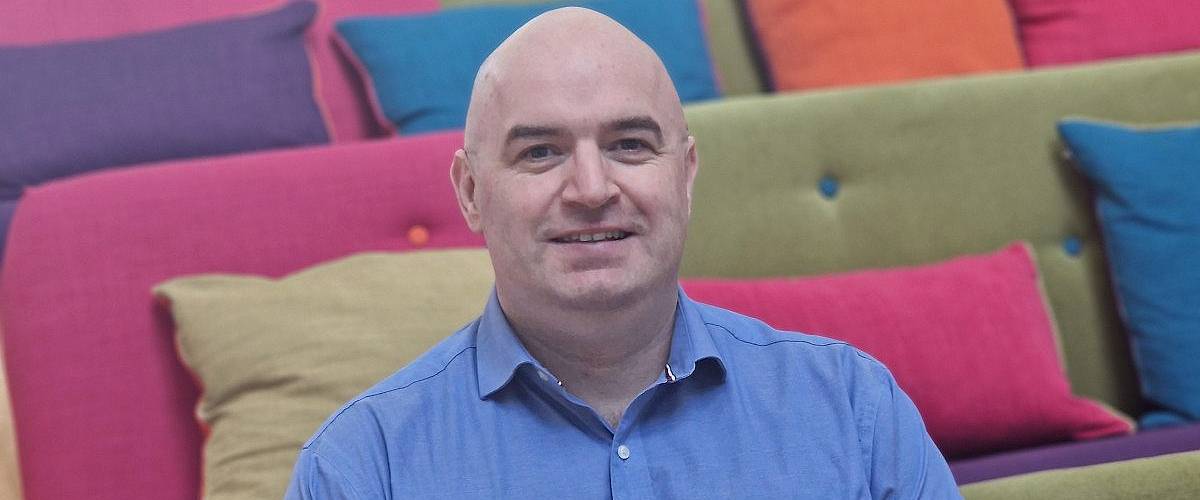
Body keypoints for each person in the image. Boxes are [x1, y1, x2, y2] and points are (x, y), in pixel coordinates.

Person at [286, 7, 960, 499]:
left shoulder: (852, 409)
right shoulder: (361, 470)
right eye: (540, 152)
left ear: (686, 175)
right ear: (470, 192)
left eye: (630, 145)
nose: (591, 188)